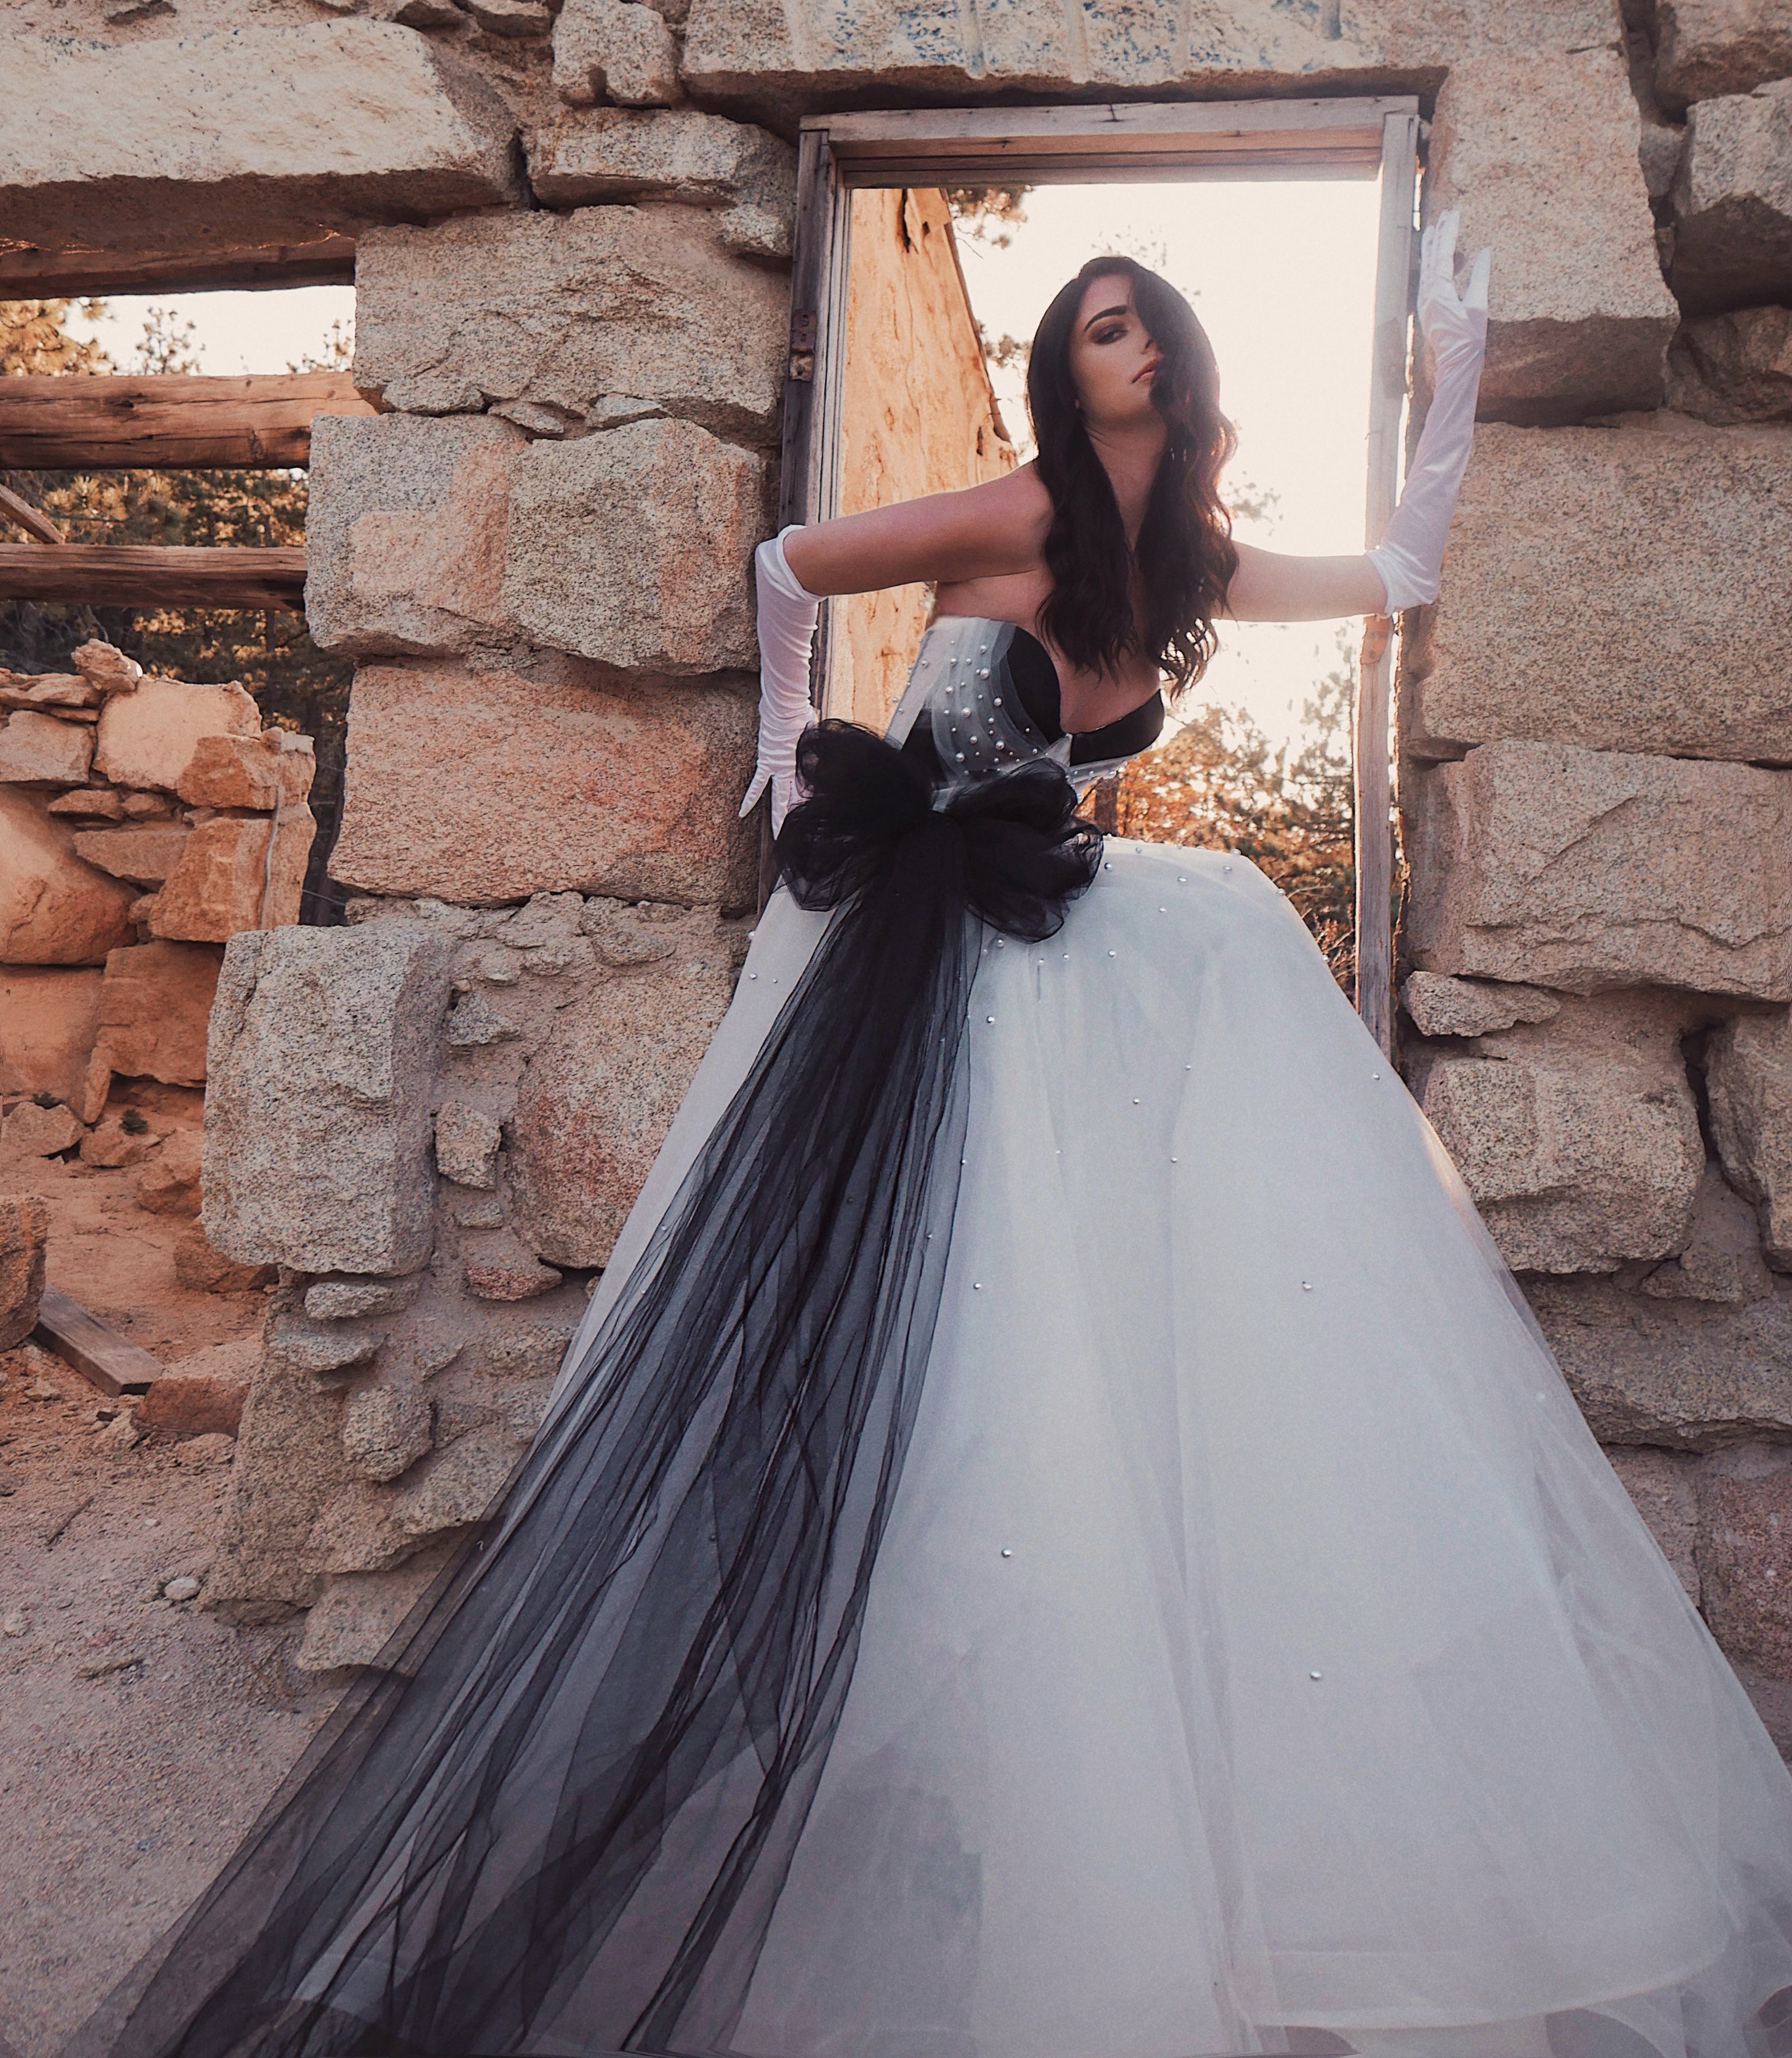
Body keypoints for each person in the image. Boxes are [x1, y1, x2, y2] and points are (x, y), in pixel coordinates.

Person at [67, 220, 1791, 2058]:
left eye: (1131, 328)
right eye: (1085, 331)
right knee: (915, 1324)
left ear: (1181, 362)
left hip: (1063, 957)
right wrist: (789, 740)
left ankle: (1096, 1787)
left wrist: (1446, 377)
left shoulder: (1191, 557)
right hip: (909, 963)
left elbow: (1398, 566)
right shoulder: (1010, 513)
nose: (1107, 351)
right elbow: (787, 557)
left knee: (1142, 1201)